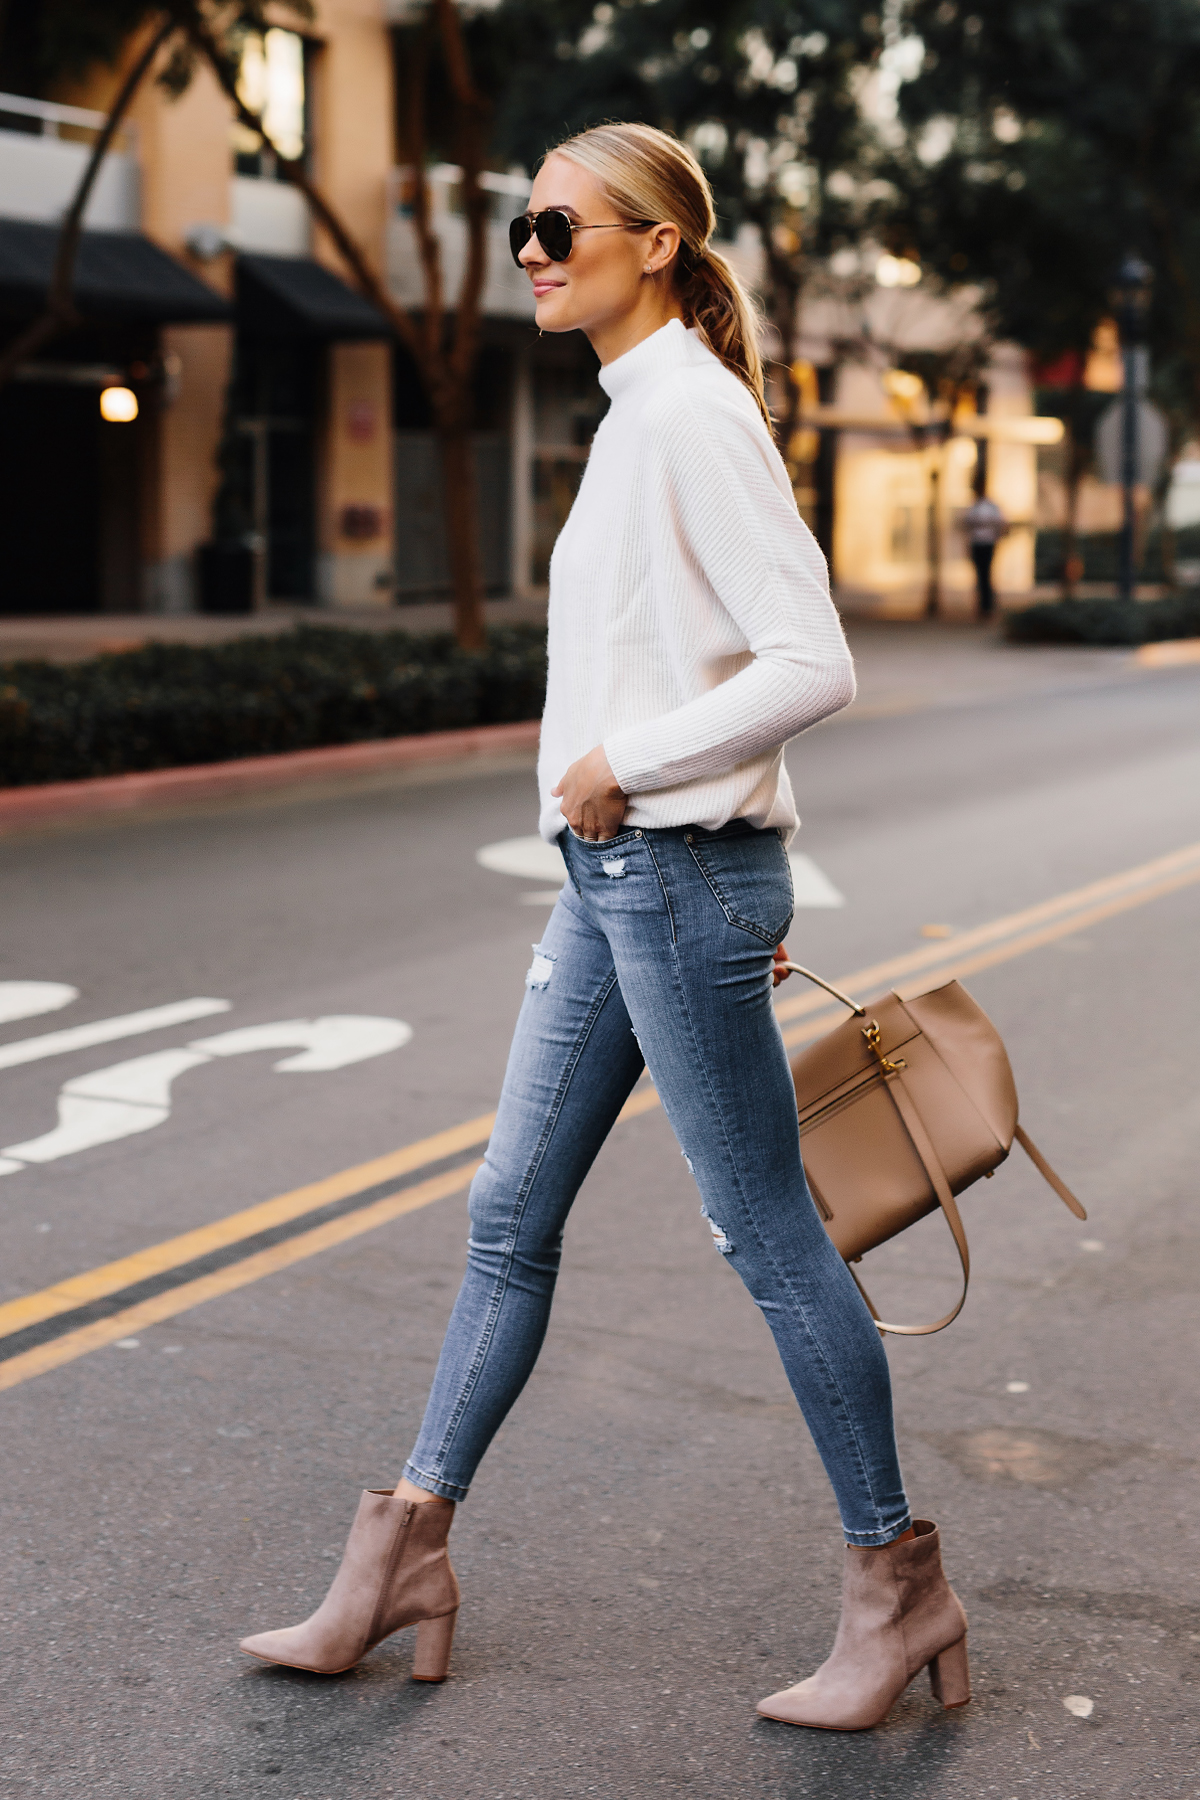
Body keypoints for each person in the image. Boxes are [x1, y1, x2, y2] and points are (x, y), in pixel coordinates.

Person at [238, 122, 969, 1732]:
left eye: (561, 222)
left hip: (677, 874)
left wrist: (621, 773)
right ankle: (405, 1552)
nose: (530, 247)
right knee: (508, 1212)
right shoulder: (642, 415)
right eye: (522, 222)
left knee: (767, 1237)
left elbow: (811, 661)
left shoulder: (695, 419)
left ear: (654, 241)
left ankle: (897, 1585)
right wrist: (606, 832)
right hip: (623, 884)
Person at [961, 487, 1008, 618]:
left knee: (986, 573)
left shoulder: (991, 507)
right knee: (980, 575)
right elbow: (967, 524)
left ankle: (988, 605)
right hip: (977, 543)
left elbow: (1000, 524)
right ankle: (983, 605)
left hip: (988, 543)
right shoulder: (974, 506)